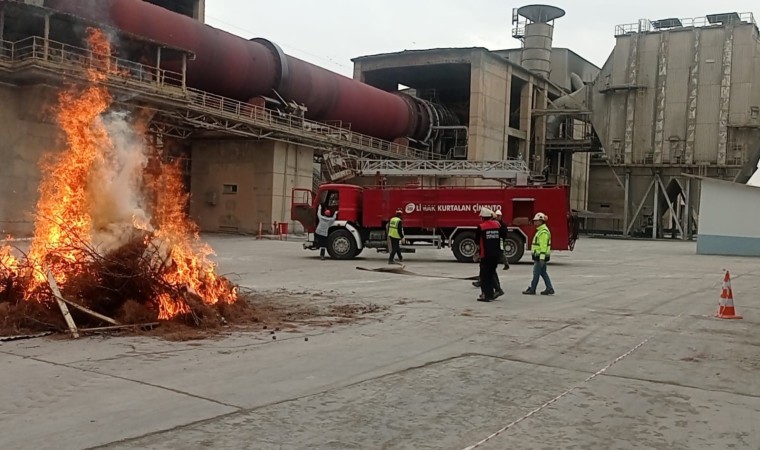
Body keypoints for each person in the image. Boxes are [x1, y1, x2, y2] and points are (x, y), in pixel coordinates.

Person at [474, 207, 505, 302]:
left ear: (482, 217)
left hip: (485, 255)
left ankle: (486, 296)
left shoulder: (481, 227)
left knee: (484, 277)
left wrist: (477, 254)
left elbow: (477, 242)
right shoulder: (497, 225)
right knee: (491, 274)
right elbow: (502, 237)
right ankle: (491, 294)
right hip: (495, 255)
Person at [523, 212, 555, 296]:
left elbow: (543, 246)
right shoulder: (541, 231)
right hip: (540, 256)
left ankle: (532, 289)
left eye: (536, 221)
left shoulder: (543, 232)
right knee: (543, 273)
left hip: (540, 257)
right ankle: (549, 288)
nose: (535, 222)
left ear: (541, 221)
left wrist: (541, 258)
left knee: (536, 273)